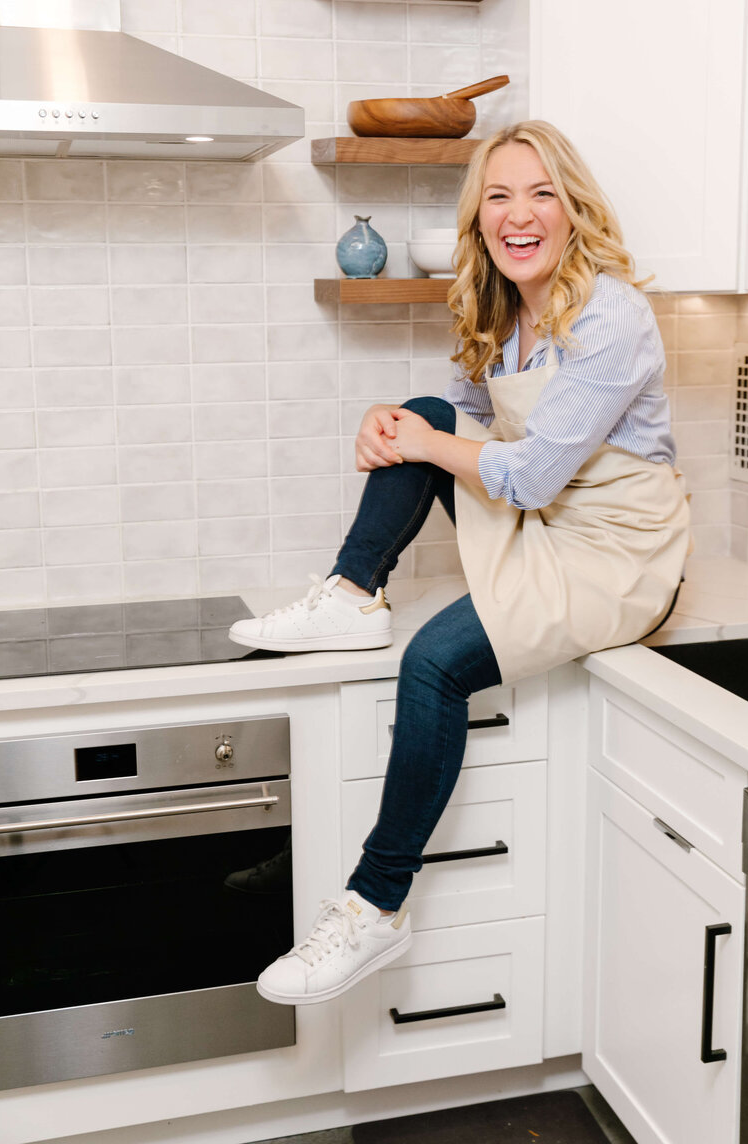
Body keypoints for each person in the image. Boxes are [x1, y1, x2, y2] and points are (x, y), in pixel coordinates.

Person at [228, 120, 691, 1007]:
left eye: (542, 193)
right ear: (479, 216)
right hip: (548, 521)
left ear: (573, 209)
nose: (520, 215)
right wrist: (393, 422)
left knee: (433, 662)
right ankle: (352, 593)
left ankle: (376, 906)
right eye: (500, 195)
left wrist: (423, 441)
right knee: (414, 406)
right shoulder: (500, 303)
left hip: (618, 556)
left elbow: (523, 474)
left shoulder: (611, 315)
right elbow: (464, 410)